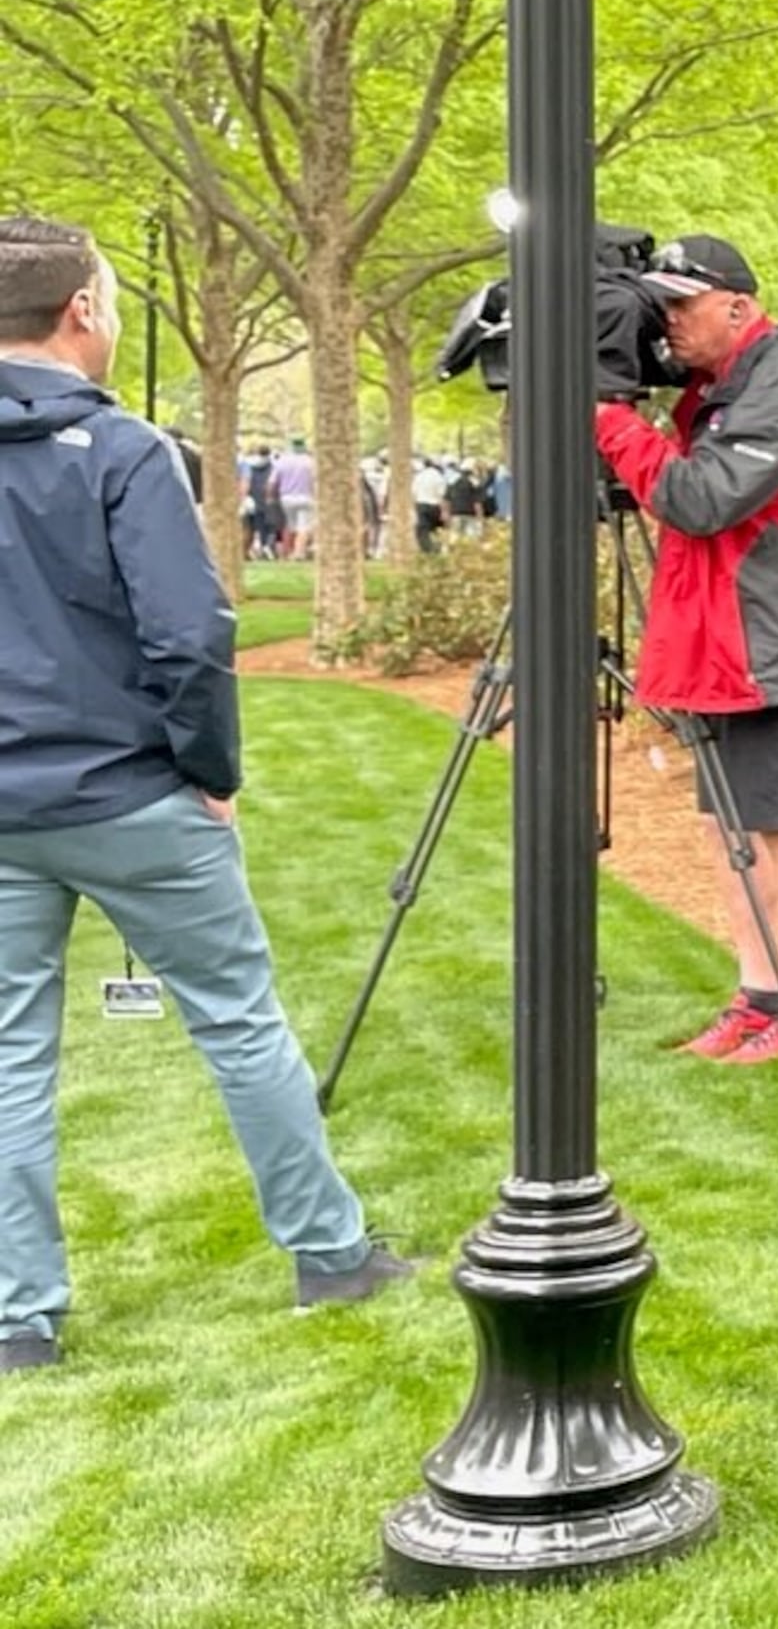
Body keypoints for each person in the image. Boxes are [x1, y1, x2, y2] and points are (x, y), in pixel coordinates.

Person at [0, 217, 415, 1375]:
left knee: (7, 1058)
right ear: (82, 311)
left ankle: (18, 1320)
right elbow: (190, 635)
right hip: (130, 793)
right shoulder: (127, 452)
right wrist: (210, 772)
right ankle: (328, 1252)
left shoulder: (120, 446)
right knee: (239, 1021)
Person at [591, 234, 778, 1066]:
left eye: (682, 305)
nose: (668, 324)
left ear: (738, 305)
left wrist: (611, 419)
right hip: (730, 643)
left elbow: (700, 499)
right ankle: (759, 998)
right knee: (733, 828)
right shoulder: (727, 383)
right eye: (659, 305)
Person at [268, 436, 314, 560]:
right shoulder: (310, 462)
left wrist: (271, 497)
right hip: (306, 497)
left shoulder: (282, 462)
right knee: (303, 527)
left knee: (289, 525)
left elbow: (272, 482)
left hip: (286, 498)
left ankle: (286, 552)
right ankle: (298, 553)